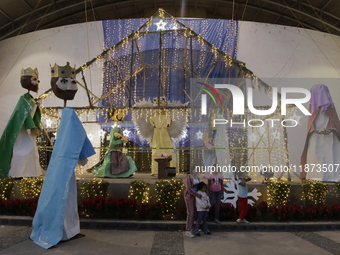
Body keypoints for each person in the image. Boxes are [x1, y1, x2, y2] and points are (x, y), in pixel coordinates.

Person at [30, 62, 96, 249]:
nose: (69, 86)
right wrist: (82, 156)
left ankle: (70, 229)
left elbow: (78, 134)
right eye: (65, 81)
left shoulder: (68, 114)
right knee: (63, 199)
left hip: (63, 165)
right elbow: (78, 134)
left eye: (72, 81)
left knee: (65, 198)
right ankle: (67, 230)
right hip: (63, 165)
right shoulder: (69, 115)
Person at [0, 67, 43, 178]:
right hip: (23, 132)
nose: (37, 82)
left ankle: (31, 172)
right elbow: (24, 114)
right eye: (35, 79)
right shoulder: (23, 99)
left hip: (29, 132)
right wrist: (31, 125)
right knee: (22, 152)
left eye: (38, 80)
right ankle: (19, 173)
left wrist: (36, 126)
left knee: (31, 151)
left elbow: (35, 114)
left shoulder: (32, 100)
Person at [301, 84, 340, 182]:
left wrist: (332, 129)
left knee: (331, 157)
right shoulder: (312, 108)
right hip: (316, 137)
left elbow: (334, 122)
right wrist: (314, 130)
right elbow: (311, 124)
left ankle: (332, 178)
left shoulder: (330, 107)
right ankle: (317, 179)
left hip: (330, 137)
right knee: (316, 158)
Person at [184, 169, 201, 238]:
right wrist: (196, 194)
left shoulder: (198, 177)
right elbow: (188, 188)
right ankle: (188, 230)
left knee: (194, 213)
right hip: (189, 197)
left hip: (195, 197)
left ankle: (192, 228)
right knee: (190, 213)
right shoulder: (189, 177)